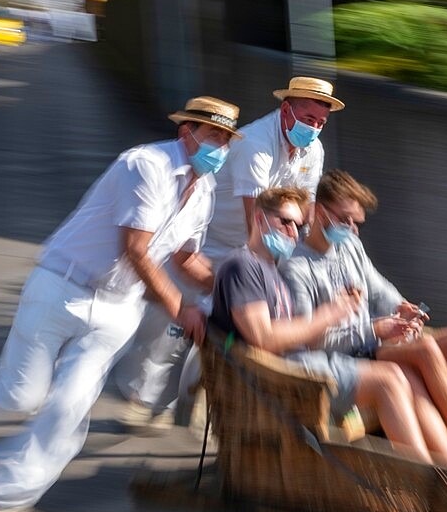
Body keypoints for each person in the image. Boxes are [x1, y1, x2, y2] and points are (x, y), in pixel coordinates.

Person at [0, 96, 243, 512]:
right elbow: (137, 250)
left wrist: (231, 292)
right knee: (21, 395)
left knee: (69, 408)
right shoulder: (146, 165)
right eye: (213, 136)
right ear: (187, 133)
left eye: (226, 139)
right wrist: (181, 309)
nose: (220, 147)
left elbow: (186, 260)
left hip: (117, 310)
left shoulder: (203, 191)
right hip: (60, 287)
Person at [114, 76, 344, 429]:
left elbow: (305, 208)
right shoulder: (256, 144)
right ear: (286, 110)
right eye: (308, 119)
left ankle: (192, 397)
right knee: (171, 327)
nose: (313, 128)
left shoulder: (314, 150)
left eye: (320, 123)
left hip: (254, 251)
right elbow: (256, 219)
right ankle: (140, 397)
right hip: (210, 244)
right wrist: (271, 270)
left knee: (228, 331)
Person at [211, 186, 447, 473]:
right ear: (260, 219)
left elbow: (375, 289)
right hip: (280, 372)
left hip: (304, 361)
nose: (292, 233)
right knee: (390, 379)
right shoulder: (243, 265)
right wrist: (331, 315)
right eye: (284, 222)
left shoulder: (269, 266)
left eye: (298, 225)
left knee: (401, 374)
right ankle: (423, 478)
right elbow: (263, 338)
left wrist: (381, 314)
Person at [279, 170, 447, 456]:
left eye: (356, 222)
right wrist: (374, 329)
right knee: (425, 348)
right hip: (350, 356)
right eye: (344, 219)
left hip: (377, 342)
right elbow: (310, 339)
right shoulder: (295, 267)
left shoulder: (349, 245)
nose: (352, 228)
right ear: (318, 212)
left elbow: (378, 289)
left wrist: (402, 308)